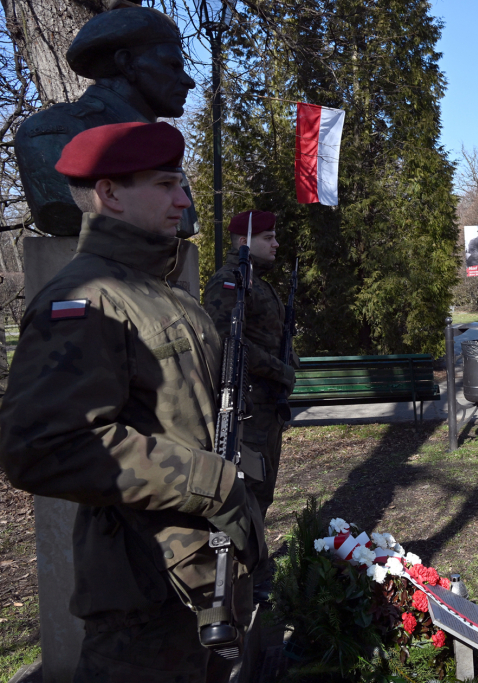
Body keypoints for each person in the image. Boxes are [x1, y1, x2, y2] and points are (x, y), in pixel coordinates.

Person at [0, 122, 264, 679]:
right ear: (110, 193)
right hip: (144, 599)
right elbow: (42, 445)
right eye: (165, 184)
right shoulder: (85, 300)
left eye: (181, 183)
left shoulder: (163, 294)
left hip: (203, 583)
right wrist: (209, 481)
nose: (183, 199)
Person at [14, 6, 199, 238]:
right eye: (173, 65)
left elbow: (185, 226)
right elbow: (57, 208)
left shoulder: (159, 145)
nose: (188, 81)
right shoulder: (49, 133)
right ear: (127, 63)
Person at [203, 210, 296, 599]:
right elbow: (227, 342)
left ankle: (253, 572)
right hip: (246, 407)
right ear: (244, 242)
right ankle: (245, 580)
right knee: (248, 494)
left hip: (267, 407)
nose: (276, 244)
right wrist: (279, 369)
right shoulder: (229, 282)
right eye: (268, 237)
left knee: (263, 490)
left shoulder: (258, 282)